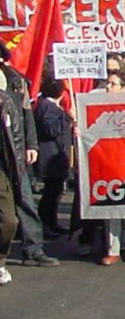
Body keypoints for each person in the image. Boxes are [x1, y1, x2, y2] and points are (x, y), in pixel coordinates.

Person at [0, 47, 58, 266]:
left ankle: (33, 249)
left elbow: (26, 115)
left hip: (13, 152)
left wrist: (31, 144)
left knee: (24, 199)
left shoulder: (16, 81)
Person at [100, 76, 125, 265]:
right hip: (107, 162)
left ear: (124, 88)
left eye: (113, 84)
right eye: (107, 83)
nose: (108, 86)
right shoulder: (97, 105)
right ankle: (113, 249)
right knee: (111, 208)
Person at [33, 78, 73, 239]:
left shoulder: (48, 106)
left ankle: (52, 222)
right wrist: (66, 119)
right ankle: (45, 224)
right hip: (51, 156)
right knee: (50, 194)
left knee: (55, 193)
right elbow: (50, 130)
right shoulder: (47, 107)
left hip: (56, 156)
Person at [1, 89, 25, 285]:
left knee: (9, 221)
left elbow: (16, 135)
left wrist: (19, 165)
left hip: (2, 169)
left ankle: (0, 261)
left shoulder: (5, 100)